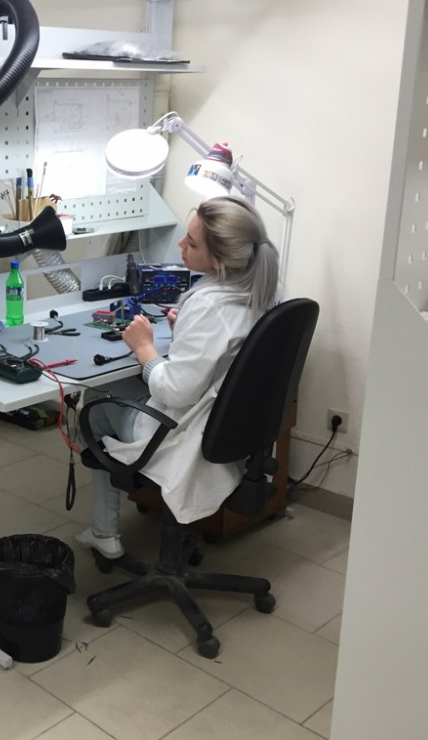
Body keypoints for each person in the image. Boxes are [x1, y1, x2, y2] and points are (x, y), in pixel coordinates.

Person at [76, 196, 280, 559]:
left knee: (95, 397)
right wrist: (183, 331)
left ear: (219, 260)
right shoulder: (262, 291)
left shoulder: (208, 305)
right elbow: (225, 356)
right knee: (119, 389)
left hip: (182, 437)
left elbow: (175, 391)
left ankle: (104, 531)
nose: (181, 245)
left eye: (193, 243)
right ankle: (108, 528)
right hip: (228, 433)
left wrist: (144, 349)